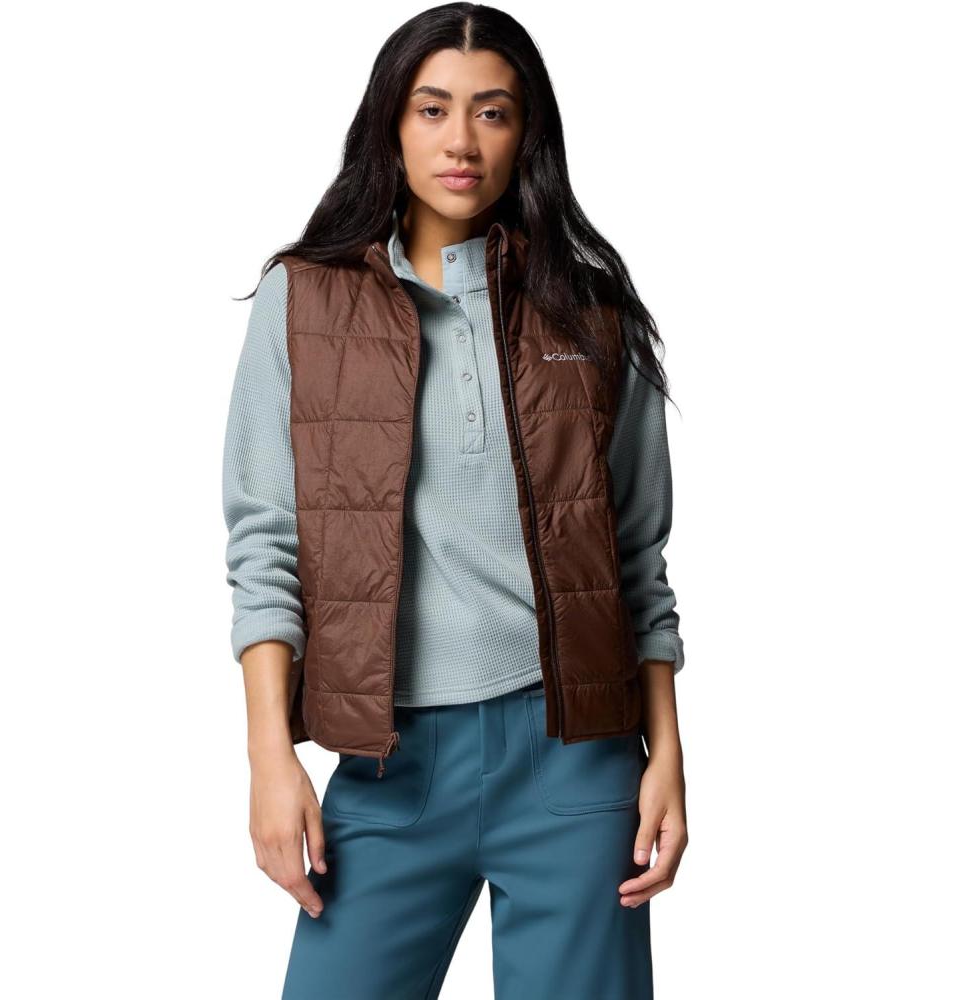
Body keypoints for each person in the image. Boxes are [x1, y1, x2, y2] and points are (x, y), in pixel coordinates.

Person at [221, 5, 688, 997]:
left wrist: (668, 755)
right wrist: (269, 757)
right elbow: (265, 543)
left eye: (492, 112)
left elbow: (634, 558)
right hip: (388, 763)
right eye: (433, 109)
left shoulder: (592, 311)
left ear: (527, 134)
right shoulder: (303, 301)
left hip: (573, 757)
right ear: (391, 123)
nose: (461, 141)